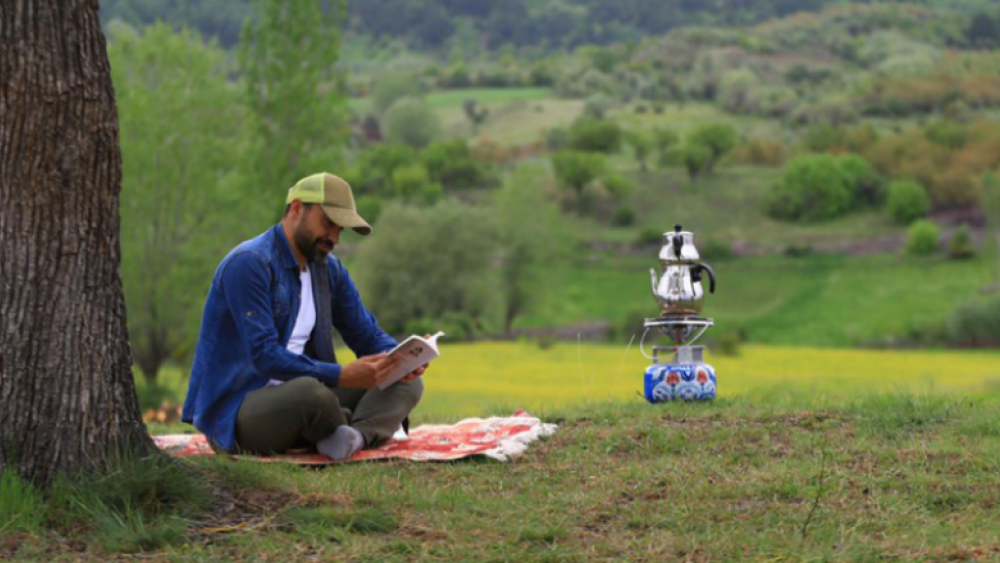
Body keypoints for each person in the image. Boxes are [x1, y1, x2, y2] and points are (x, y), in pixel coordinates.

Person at [182, 172, 425, 460]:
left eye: (340, 229)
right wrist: (342, 375)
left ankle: (352, 437)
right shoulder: (250, 264)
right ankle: (347, 425)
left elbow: (365, 334)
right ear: (296, 209)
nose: (334, 237)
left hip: (309, 396)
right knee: (312, 395)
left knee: (405, 382)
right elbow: (264, 356)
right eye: (328, 224)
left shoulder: (329, 270)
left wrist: (403, 358)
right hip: (241, 410)